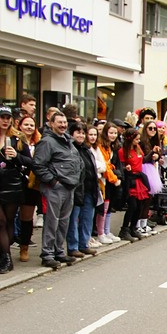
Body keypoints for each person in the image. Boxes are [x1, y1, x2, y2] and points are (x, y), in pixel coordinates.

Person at [32, 110, 83, 269]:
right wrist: (53, 182)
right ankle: (47, 254)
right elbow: (38, 165)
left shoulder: (68, 141)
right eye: (59, 122)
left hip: (69, 187)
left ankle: (59, 252)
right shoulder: (47, 142)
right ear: (51, 123)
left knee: (63, 222)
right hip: (55, 188)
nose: (63, 125)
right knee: (52, 222)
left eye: (64, 123)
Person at [67, 121, 100, 258]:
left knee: (87, 218)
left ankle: (84, 244)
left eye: (82, 132)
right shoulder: (69, 148)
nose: (80, 135)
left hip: (90, 189)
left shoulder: (87, 149)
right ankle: (73, 246)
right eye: (77, 132)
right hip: (76, 189)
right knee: (74, 219)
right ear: (71, 134)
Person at [0, 105, 25, 273]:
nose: (5, 121)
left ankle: (3, 255)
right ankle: (7, 258)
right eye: (2, 117)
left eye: (8, 118)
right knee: (0, 222)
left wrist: (17, 156)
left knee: (9, 221)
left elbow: (30, 162)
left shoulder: (17, 138)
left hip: (12, 183)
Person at [15, 114, 42, 262]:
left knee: (27, 218)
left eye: (32, 125)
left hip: (32, 184)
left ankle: (24, 247)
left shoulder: (39, 142)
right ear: (20, 126)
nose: (29, 127)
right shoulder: (15, 141)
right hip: (15, 181)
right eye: (26, 125)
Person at [118, 128, 150, 242]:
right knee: (132, 206)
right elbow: (120, 165)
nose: (138, 140)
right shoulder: (122, 151)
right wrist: (125, 168)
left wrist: (153, 154)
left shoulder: (138, 148)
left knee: (140, 206)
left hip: (139, 179)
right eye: (136, 139)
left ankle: (133, 228)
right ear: (130, 139)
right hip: (130, 179)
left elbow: (143, 160)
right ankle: (124, 229)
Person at [96, 121, 122, 242]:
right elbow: (105, 165)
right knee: (103, 208)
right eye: (111, 132)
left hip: (111, 181)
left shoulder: (114, 147)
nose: (113, 135)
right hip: (103, 180)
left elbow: (115, 164)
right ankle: (100, 233)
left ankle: (107, 231)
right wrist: (115, 178)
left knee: (109, 206)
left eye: (115, 133)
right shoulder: (101, 146)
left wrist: (118, 176)